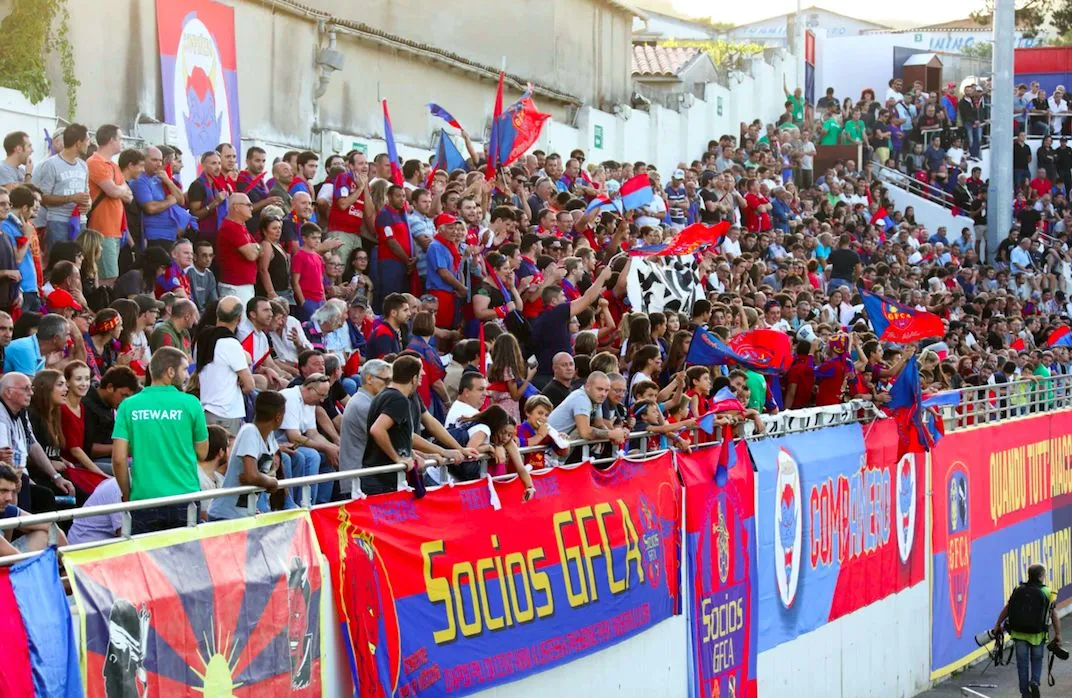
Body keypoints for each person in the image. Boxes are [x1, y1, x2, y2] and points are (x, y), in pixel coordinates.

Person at [113, 347, 208, 534]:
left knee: (148, 562)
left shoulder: (128, 405)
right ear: (170, 372)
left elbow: (118, 459)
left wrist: (127, 493)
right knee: (184, 561)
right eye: (184, 370)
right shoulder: (191, 403)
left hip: (144, 499)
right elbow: (203, 453)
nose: (187, 375)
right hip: (185, 497)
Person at [208, 391, 286, 521]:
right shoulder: (249, 432)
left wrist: (263, 479)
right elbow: (250, 476)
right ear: (278, 417)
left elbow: (266, 472)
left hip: (247, 512)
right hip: (226, 515)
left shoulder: (270, 436)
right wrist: (270, 482)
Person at [993, 563, 1062, 698]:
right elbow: (1054, 615)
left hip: (1018, 635)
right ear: (1041, 576)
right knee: (1037, 661)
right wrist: (1058, 634)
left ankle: (1025, 693)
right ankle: (1035, 682)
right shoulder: (1048, 592)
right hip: (1038, 635)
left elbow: (1007, 608)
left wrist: (998, 624)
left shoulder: (1018, 589)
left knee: (1022, 666)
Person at [197, 295, 255, 433]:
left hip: (206, 410)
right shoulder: (230, 343)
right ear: (239, 318)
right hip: (226, 413)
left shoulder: (203, 338)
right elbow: (250, 385)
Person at [279, 374, 340, 504]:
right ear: (309, 388)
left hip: (294, 443)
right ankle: (305, 504)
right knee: (312, 456)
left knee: (331, 455)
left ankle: (322, 504)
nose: (322, 400)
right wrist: (325, 447)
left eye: (325, 396)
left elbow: (313, 433)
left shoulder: (311, 401)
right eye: (321, 395)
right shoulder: (290, 397)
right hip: (281, 442)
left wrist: (332, 447)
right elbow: (293, 437)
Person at [86, 125, 133, 284]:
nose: (122, 143)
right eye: (120, 139)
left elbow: (128, 194)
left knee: (111, 274)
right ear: (111, 140)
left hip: (115, 229)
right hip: (102, 228)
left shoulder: (114, 166)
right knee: (108, 276)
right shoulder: (95, 162)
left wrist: (119, 189)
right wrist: (119, 189)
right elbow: (113, 191)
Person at [32, 122, 90, 249]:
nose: (89, 143)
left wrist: (87, 204)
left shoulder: (83, 165)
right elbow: (43, 197)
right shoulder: (51, 165)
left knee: (79, 263)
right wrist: (71, 198)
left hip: (80, 221)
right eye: (87, 140)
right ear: (78, 143)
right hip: (58, 222)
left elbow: (87, 193)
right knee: (59, 264)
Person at [81, 366, 138, 472]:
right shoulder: (87, 405)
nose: (125, 401)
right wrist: (123, 448)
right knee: (138, 470)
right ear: (110, 387)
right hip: (90, 463)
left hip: (109, 457)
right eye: (123, 395)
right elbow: (87, 449)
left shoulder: (109, 405)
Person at [0, 463, 66, 554]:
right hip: (9, 559)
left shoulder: (6, 508)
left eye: (12, 492)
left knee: (46, 535)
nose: (9, 498)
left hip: (8, 560)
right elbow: (14, 557)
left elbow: (50, 525)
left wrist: (66, 561)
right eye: (3, 491)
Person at [339, 359, 391, 472]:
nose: (389, 385)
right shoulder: (363, 405)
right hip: (359, 478)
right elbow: (390, 439)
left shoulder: (366, 401)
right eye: (386, 380)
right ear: (369, 378)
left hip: (365, 474)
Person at [216, 193, 260, 303]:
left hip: (243, 285)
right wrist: (256, 248)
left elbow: (261, 249)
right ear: (236, 207)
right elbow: (251, 255)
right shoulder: (231, 227)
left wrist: (256, 248)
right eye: (248, 205)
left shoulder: (241, 227)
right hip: (235, 286)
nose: (251, 207)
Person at [4, 312, 70, 375]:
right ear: (55, 338)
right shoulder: (26, 349)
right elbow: (29, 385)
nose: (69, 339)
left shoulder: (40, 351)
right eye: (67, 335)